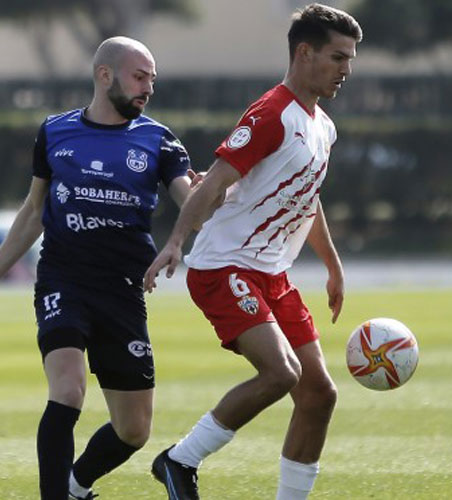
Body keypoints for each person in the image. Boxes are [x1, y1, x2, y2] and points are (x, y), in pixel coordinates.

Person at [0, 37, 194, 500]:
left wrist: (221, 194)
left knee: (134, 430)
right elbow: (34, 211)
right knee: (68, 388)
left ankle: (76, 486)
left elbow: (189, 196)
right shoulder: (55, 132)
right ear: (106, 75)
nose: (148, 88)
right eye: (139, 77)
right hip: (63, 280)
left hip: (123, 290)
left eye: (152, 80)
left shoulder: (159, 140)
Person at [143, 4, 362, 499]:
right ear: (304, 53)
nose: (346, 69)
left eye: (349, 59)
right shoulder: (271, 113)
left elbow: (306, 196)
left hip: (272, 275)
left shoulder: (322, 126)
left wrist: (332, 263)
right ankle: (179, 460)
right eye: (337, 57)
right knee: (281, 373)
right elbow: (215, 181)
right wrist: (176, 242)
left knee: (319, 393)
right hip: (224, 266)